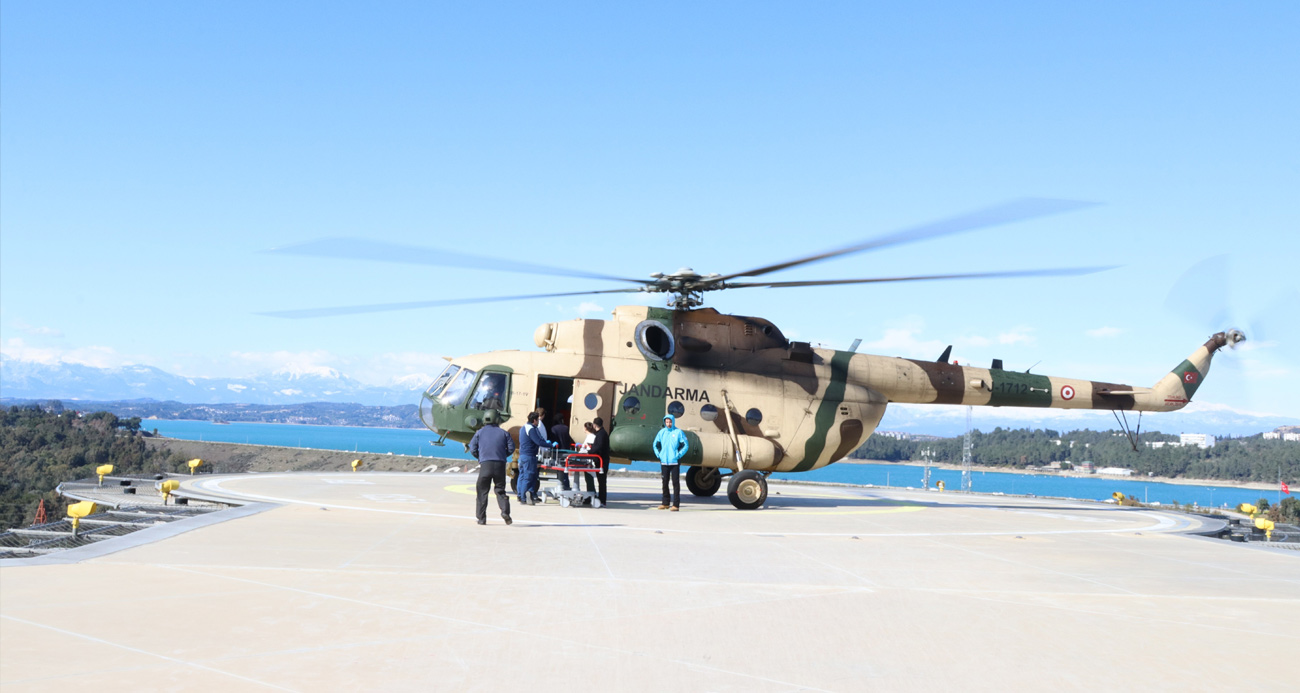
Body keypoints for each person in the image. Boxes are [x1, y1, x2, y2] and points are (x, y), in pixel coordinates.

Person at [467, 410, 513, 525]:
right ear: (497, 419)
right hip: (500, 465)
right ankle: (505, 511)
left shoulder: (479, 432)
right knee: (500, 490)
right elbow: (511, 448)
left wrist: (480, 457)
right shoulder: (504, 433)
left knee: (482, 492)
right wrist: (502, 456)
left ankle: (481, 518)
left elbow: (472, 448)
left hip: (485, 465)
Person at [652, 414, 688, 511]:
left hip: (674, 462)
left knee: (675, 483)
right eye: (667, 422)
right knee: (665, 482)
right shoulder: (661, 432)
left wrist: (678, 455)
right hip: (664, 462)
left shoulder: (678, 432)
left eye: (670, 422)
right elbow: (655, 444)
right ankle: (665, 503)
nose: (668, 424)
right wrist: (659, 455)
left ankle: (676, 504)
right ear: (665, 422)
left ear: (673, 422)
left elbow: (686, 445)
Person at [518, 411, 555, 505]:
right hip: (529, 456)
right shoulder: (531, 429)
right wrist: (550, 445)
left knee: (522, 476)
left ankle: (520, 495)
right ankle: (523, 498)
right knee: (528, 476)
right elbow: (538, 441)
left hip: (522, 455)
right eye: (537, 420)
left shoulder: (523, 428)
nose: (538, 421)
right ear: (534, 420)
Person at [590, 417, 611, 505]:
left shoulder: (601, 434)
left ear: (595, 425)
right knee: (601, 481)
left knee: (602, 481)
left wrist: (590, 452)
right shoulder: (602, 433)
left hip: (602, 461)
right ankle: (601, 498)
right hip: (602, 460)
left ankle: (602, 500)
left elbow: (599, 447)